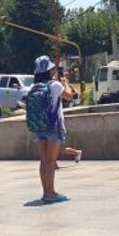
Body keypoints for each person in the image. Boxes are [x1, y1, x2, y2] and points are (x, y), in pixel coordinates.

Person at [30, 55, 74, 203]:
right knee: (51, 161)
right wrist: (65, 82)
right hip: (53, 126)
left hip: (39, 126)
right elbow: (69, 96)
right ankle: (51, 193)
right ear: (49, 71)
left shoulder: (34, 86)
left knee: (43, 161)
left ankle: (45, 192)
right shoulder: (54, 85)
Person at [56, 67, 82, 166]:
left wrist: (65, 83)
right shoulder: (54, 83)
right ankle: (76, 152)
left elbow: (73, 94)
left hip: (60, 115)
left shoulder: (63, 83)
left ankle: (77, 152)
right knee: (56, 147)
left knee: (59, 148)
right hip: (56, 115)